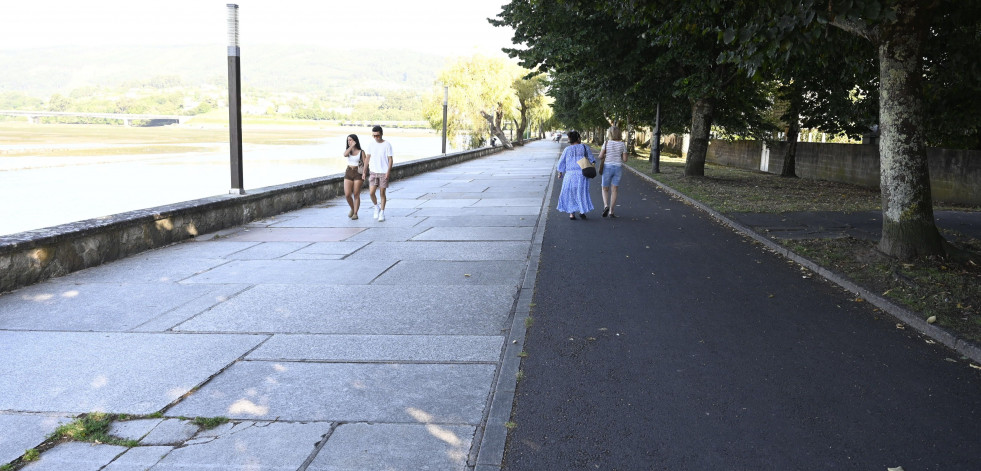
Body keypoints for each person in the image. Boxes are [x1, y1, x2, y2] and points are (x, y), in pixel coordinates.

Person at [556, 130, 595, 220]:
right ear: (578, 138)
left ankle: (572, 214)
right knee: (581, 193)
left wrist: (560, 173)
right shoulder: (585, 147)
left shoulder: (567, 149)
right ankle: (582, 211)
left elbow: (561, 163)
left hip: (569, 175)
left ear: (570, 139)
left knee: (571, 194)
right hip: (582, 175)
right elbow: (592, 160)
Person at [364, 125, 393, 222]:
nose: (376, 137)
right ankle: (376, 207)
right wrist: (364, 171)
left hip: (383, 172)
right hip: (373, 172)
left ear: (381, 134)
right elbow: (367, 158)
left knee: (382, 193)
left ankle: (382, 212)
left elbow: (390, 159)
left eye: (377, 135)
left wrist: (388, 172)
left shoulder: (387, 144)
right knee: (371, 193)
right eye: (374, 136)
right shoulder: (371, 144)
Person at [597, 125, 628, 218]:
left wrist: (606, 154)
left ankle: (606, 205)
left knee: (605, 188)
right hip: (618, 167)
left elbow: (600, 156)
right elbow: (625, 159)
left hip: (607, 167)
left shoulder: (606, 143)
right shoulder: (622, 144)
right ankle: (611, 211)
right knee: (614, 190)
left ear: (609, 134)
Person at [342, 134, 365, 220]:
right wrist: (351, 146)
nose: (349, 142)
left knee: (356, 194)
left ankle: (355, 213)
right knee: (347, 194)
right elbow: (345, 154)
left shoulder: (361, 152)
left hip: (358, 173)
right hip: (349, 172)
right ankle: (352, 208)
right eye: (348, 140)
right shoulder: (349, 151)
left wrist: (364, 174)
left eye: (351, 140)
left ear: (355, 141)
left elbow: (365, 163)